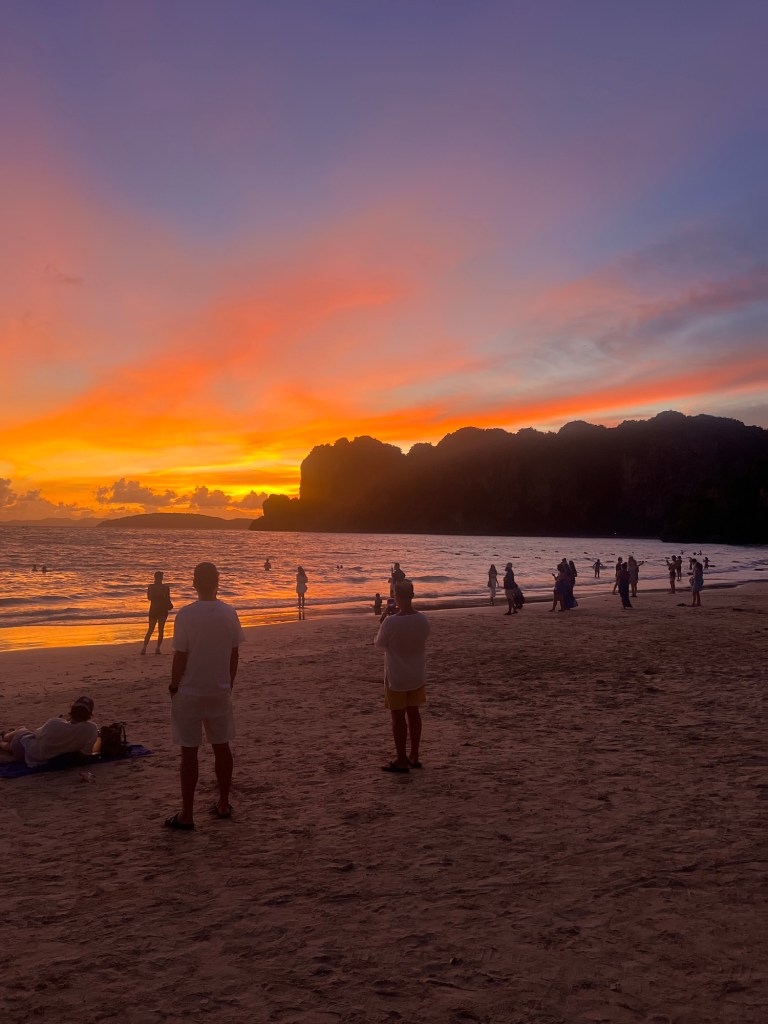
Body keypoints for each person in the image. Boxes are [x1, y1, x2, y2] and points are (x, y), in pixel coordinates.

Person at [165, 562, 245, 831]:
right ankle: (223, 803)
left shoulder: (186, 614)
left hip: (190, 690)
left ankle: (187, 813)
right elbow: (234, 654)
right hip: (219, 689)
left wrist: (174, 685)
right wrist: (229, 684)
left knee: (189, 753)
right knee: (222, 747)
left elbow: (181, 655)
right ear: (217, 583)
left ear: (194, 583)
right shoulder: (229, 612)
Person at [374, 579, 430, 773]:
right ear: (412, 595)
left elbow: (379, 645)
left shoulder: (390, 622)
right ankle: (414, 755)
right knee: (414, 713)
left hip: (396, 676)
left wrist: (383, 622)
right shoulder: (422, 619)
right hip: (416, 674)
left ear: (395, 597)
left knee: (398, 718)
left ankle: (401, 759)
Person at [1, 696, 98, 768]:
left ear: (72, 709)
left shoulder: (55, 723)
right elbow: (85, 753)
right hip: (42, 758)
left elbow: (36, 734)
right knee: (13, 744)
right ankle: (3, 741)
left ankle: (4, 737)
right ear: (89, 714)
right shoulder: (92, 729)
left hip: (27, 750)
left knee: (21, 731)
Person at [141, 571, 173, 655]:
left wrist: (156, 595)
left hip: (154, 609)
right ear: (161, 578)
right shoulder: (165, 588)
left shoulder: (151, 587)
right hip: (162, 609)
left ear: (155, 577)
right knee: (160, 629)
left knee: (151, 629)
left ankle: (144, 648)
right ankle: (157, 649)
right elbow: (168, 599)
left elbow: (149, 598)